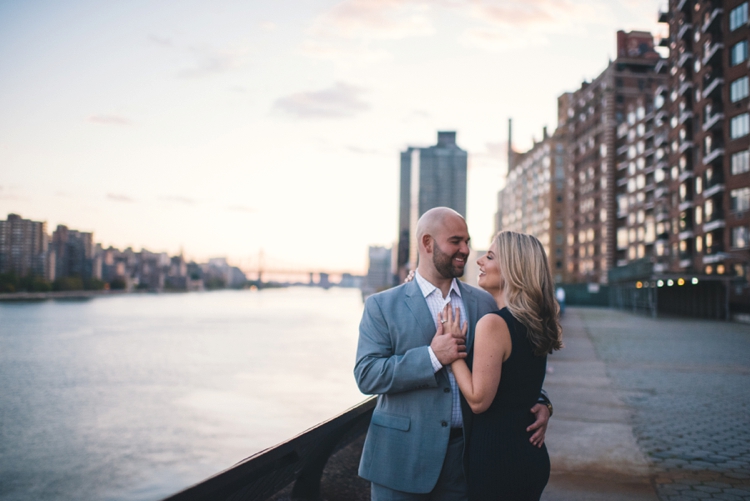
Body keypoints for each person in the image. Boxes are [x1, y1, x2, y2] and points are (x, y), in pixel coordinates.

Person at [354, 208, 552, 501]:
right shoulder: (382, 305)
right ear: (427, 244)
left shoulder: (485, 302)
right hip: (400, 460)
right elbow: (367, 375)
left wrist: (540, 400)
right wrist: (433, 356)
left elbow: (511, 363)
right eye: (456, 241)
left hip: (466, 462)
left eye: (468, 241)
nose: (466, 251)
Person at [440, 231, 563, 500]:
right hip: (528, 456)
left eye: (491, 256)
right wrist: (546, 404)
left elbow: (478, 401)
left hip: (498, 462)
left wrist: (453, 350)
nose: (479, 261)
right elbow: (519, 383)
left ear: (513, 268)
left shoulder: (494, 324)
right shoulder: (534, 322)